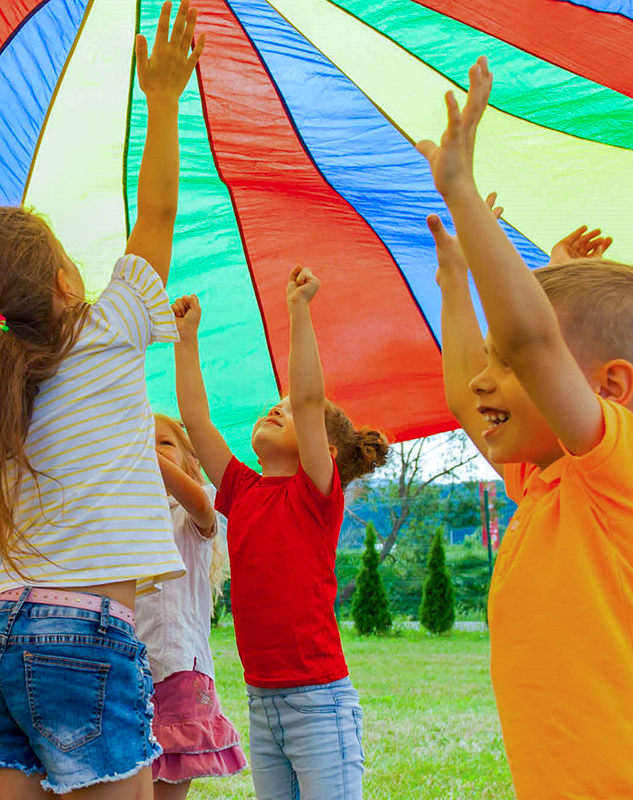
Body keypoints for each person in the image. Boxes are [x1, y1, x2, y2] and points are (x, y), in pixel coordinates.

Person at [0, 3, 205, 795]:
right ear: (66, 283)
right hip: (86, 632)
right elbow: (158, 214)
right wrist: (165, 99)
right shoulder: (110, 329)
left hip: (1, 629)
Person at [422, 56, 633, 800]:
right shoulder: (547, 482)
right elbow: (466, 392)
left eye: (507, 365)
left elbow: (539, 346)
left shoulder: (619, 478)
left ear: (613, 388)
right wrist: (455, 283)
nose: (487, 380)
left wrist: (463, 193)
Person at [174, 272, 389, 800]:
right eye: (277, 404)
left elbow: (312, 399)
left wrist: (298, 310)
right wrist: (187, 341)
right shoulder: (242, 489)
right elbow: (196, 423)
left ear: (325, 451)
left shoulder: (315, 493)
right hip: (262, 700)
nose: (279, 407)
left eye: (291, 411)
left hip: (319, 701)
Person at [135, 415, 246, 800]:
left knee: (167, 787)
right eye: (142, 442)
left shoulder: (189, 514)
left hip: (179, 672)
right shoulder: (120, 522)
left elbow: (199, 503)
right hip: (124, 672)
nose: (150, 449)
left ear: (188, 462)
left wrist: (134, 445)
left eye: (164, 444)